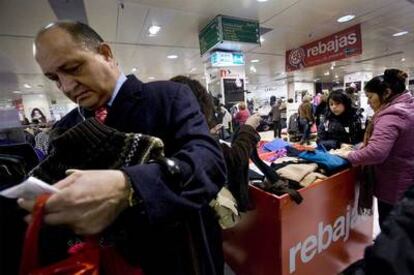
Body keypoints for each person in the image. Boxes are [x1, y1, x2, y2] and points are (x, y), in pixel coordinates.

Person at [18, 21, 226, 275]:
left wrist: (129, 185)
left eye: (73, 68)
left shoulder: (168, 97)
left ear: (106, 54)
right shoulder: (66, 128)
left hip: (179, 258)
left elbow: (210, 163)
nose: (67, 87)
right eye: (54, 78)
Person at [171, 75, 261, 211]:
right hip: (201, 214)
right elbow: (236, 158)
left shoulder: (169, 135)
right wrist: (248, 128)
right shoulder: (195, 140)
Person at [341, 69, 414, 229]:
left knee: (392, 231)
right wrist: (361, 146)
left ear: (386, 93)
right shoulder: (408, 107)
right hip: (406, 180)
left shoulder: (392, 115)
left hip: (395, 185)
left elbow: (376, 152)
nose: (368, 102)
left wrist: (349, 156)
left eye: (370, 97)